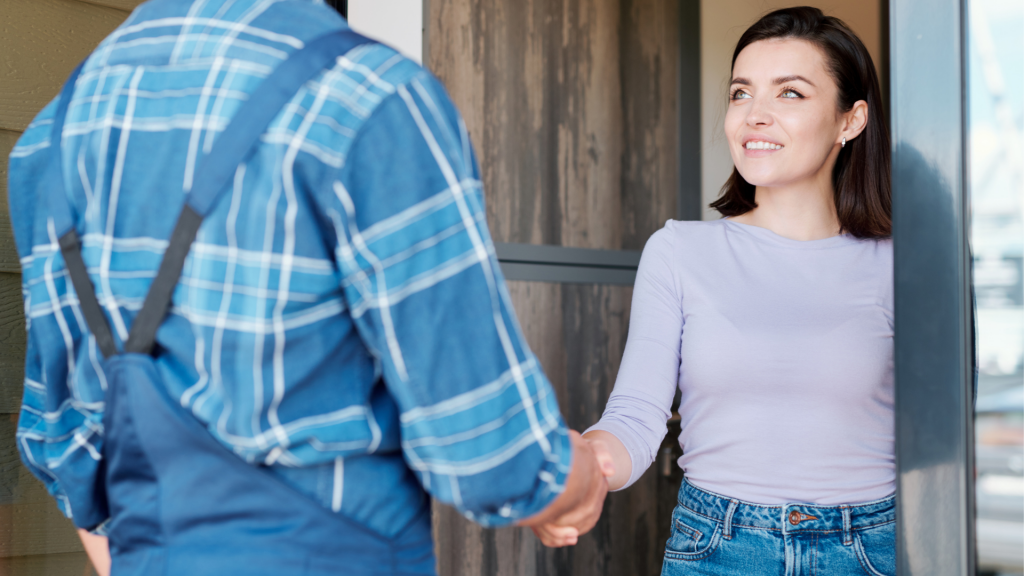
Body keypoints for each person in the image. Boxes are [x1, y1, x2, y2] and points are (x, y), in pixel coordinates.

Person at [9, 1, 612, 574]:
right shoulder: (368, 95)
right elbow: (488, 451)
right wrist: (578, 476)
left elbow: (65, 442)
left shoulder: (51, 134)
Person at [543, 7, 896, 575]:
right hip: (719, 549)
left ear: (849, 121)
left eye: (790, 94)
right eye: (740, 93)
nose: (754, 116)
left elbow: (944, 444)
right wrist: (585, 464)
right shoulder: (680, 252)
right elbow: (635, 416)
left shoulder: (903, 265)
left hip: (872, 550)